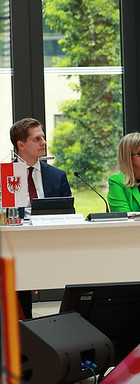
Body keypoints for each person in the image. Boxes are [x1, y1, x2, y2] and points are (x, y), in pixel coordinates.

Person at [10, 118, 72, 318]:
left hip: (52, 240)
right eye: (37, 139)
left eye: (43, 137)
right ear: (21, 145)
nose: (43, 142)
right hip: (16, 245)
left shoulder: (57, 176)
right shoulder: (5, 175)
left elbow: (69, 213)